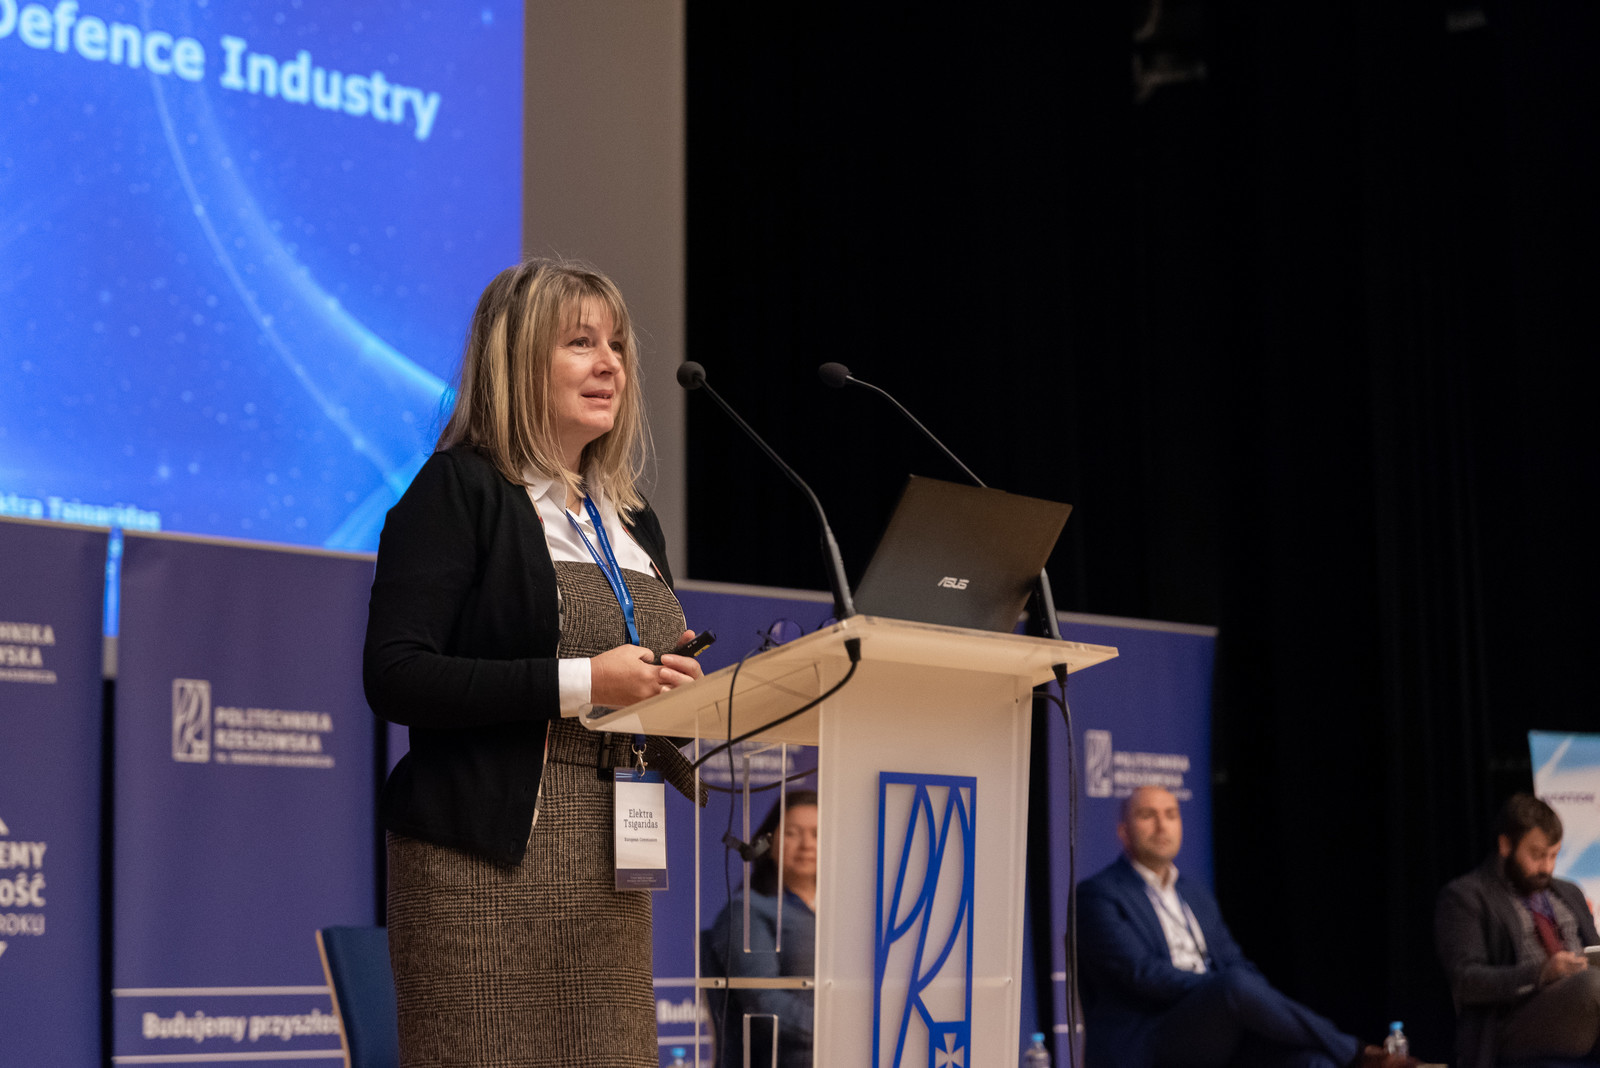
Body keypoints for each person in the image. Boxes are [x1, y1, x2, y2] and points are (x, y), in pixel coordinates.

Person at [363, 259, 707, 1067]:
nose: (610, 363)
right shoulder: (459, 490)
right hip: (483, 867)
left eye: (616, 345)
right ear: (516, 359)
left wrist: (670, 692)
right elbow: (397, 672)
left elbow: (633, 669)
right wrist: (589, 681)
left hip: (608, 872)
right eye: (580, 342)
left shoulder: (628, 516)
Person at [1077, 786, 1419, 1068]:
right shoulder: (1098, 894)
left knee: (1314, 1063)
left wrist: (1243, 996)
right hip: (1152, 1035)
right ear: (1123, 831)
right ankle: (1360, 1053)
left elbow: (1234, 960)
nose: (1161, 826)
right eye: (1147, 815)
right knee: (1235, 985)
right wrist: (1219, 989)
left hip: (1218, 1029)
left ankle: (1346, 1053)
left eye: (1171, 814)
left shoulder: (1193, 893)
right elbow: (1143, 975)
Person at [1435, 792, 1600, 1068]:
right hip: (1515, 1021)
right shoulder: (1466, 897)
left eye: (1554, 855)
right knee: (1593, 985)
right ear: (1505, 845)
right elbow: (1467, 981)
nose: (1546, 867)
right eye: (1537, 855)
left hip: (1582, 1009)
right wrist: (1542, 972)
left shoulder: (1569, 892)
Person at [706, 789, 818, 1068]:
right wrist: (835, 1027)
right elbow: (763, 1002)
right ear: (768, 841)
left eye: (817, 834)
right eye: (793, 833)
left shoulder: (850, 908)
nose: (807, 845)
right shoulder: (747, 910)